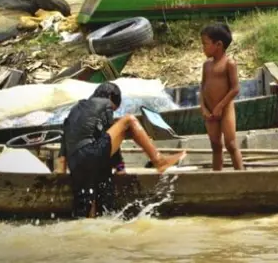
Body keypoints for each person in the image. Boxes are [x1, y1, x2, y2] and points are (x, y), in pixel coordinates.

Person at [56, 83, 186, 218]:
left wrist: (61, 173)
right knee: (129, 120)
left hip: (75, 162)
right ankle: (159, 160)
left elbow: (63, 153)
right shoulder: (105, 103)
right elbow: (107, 136)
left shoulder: (75, 110)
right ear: (112, 97)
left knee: (89, 211)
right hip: (91, 154)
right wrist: (120, 167)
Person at [200, 23, 244, 171]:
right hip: (210, 111)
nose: (203, 48)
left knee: (231, 145)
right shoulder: (206, 65)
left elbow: (235, 88)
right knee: (215, 145)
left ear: (218, 44)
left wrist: (220, 106)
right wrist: (203, 107)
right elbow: (202, 87)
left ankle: (241, 175)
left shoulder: (229, 63)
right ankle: (216, 177)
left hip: (225, 110)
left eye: (205, 44)